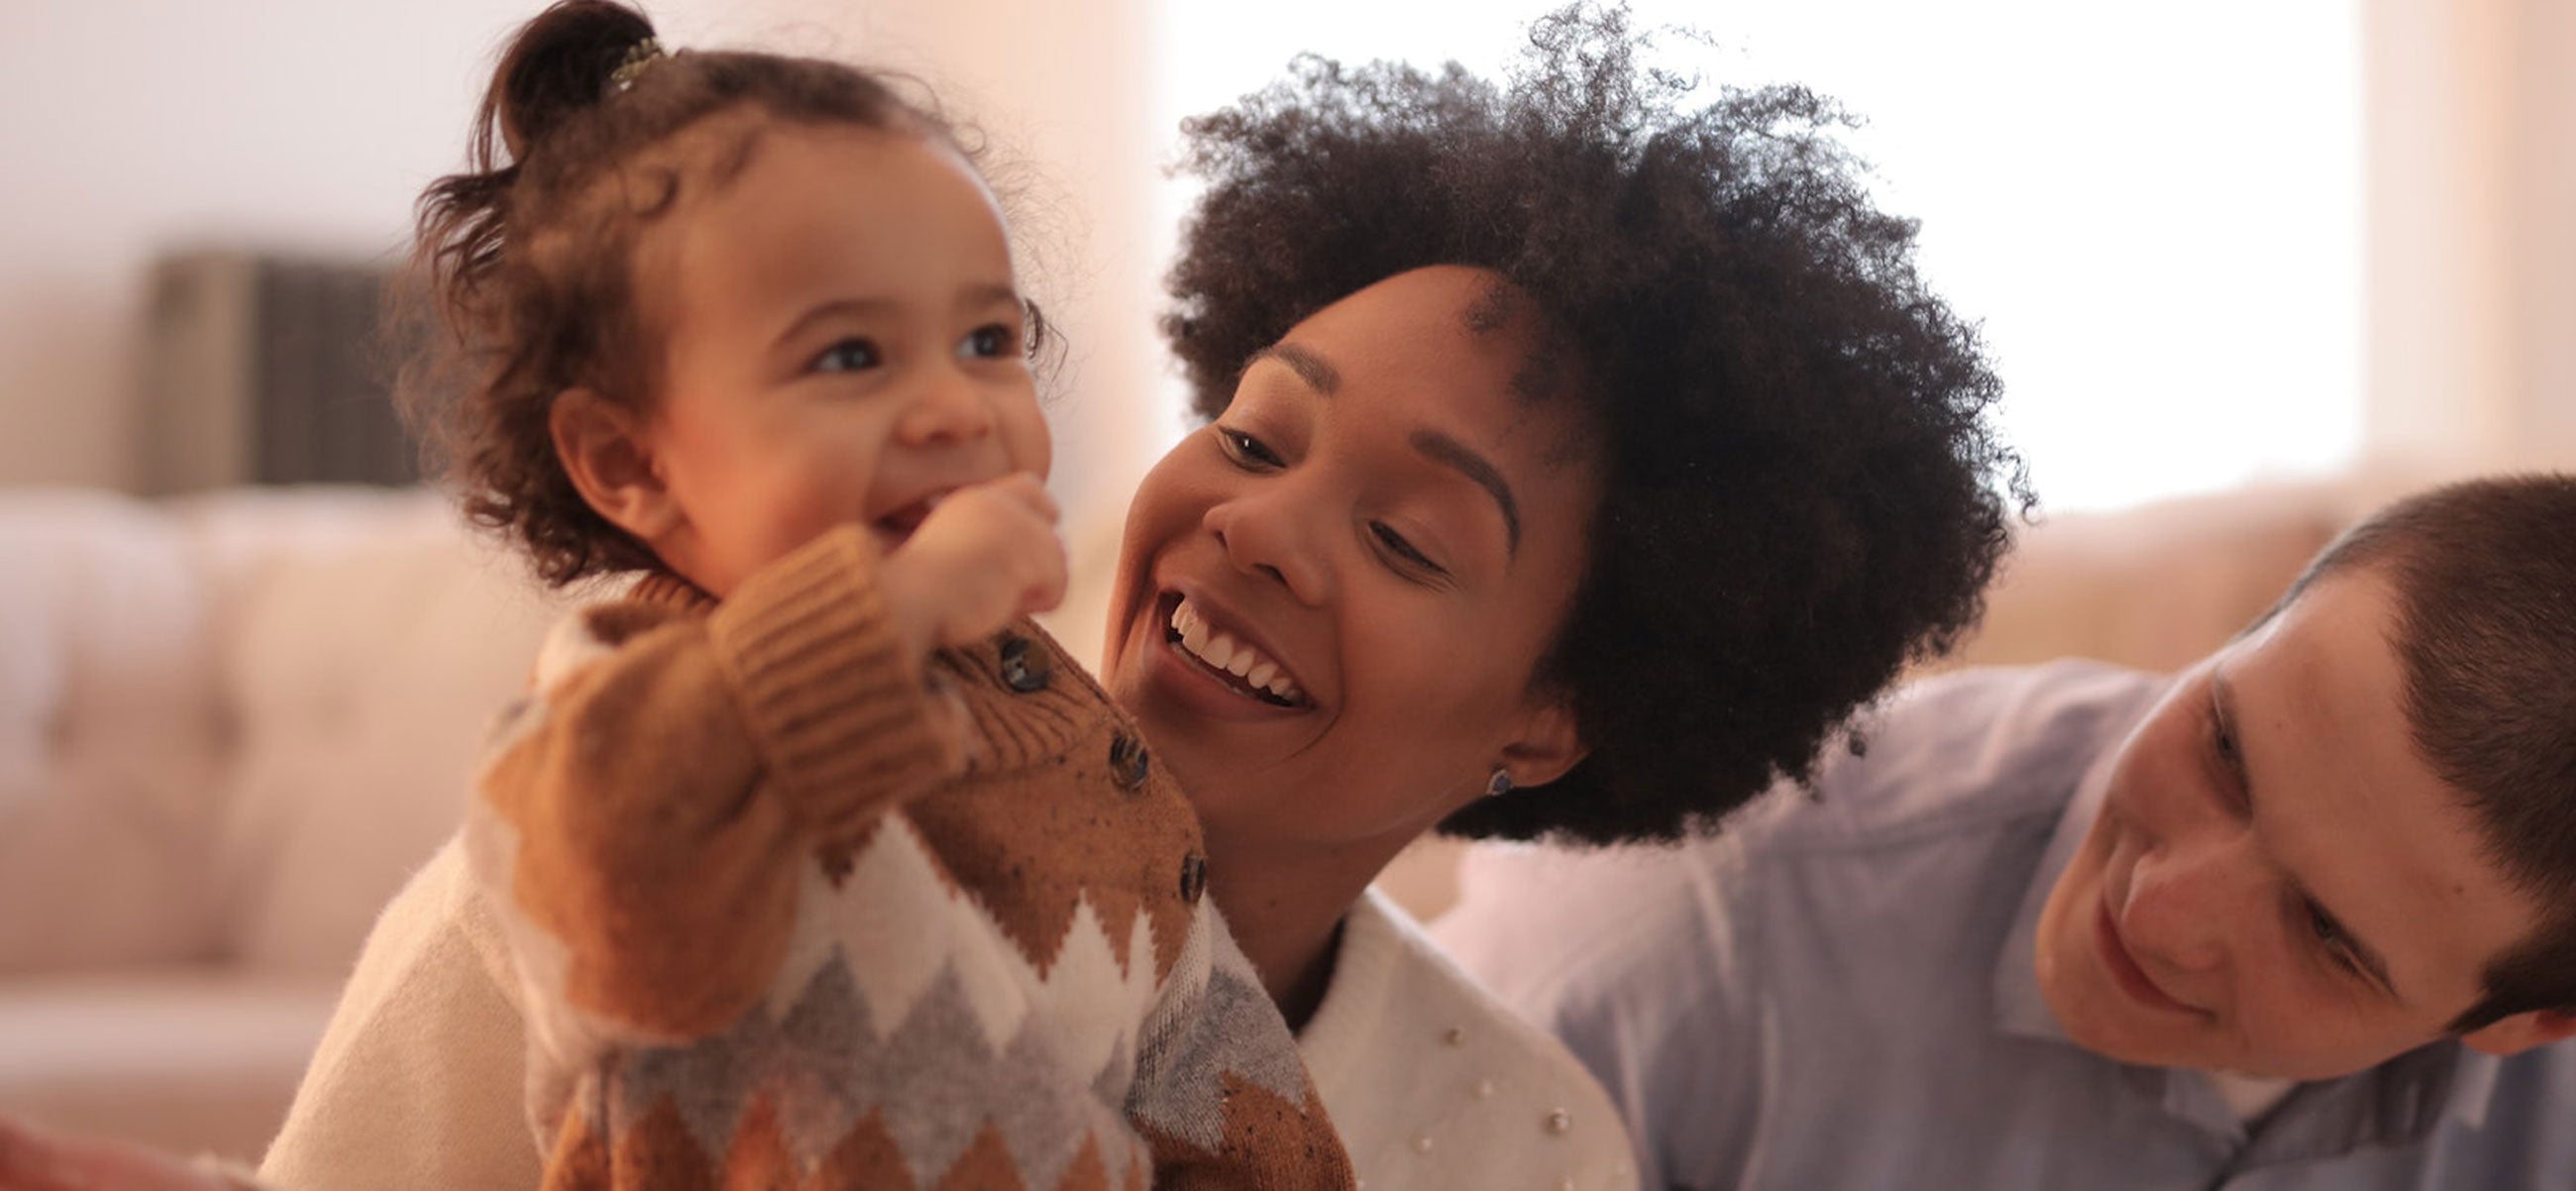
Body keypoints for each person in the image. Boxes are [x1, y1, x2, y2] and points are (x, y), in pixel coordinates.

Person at [0, 5, 2021, 1190]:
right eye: (1247, 433)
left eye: (1408, 538)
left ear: (1547, 712)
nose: (1253, 527)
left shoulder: (1520, 1137)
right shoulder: (675, 802)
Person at [377, 2, 1354, 1188]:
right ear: (629, 462)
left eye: (987, 339)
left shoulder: (1078, 739)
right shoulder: (633, 703)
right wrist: (887, 612)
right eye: (849, 356)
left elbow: (1208, 1071)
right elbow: (618, 912)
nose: (958, 406)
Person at [1436, 474, 2576, 1190]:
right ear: (2248, 628)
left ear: (2528, 1026)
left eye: (2326, 933)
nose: (2157, 908)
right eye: (2225, 746)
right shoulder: (1702, 911)